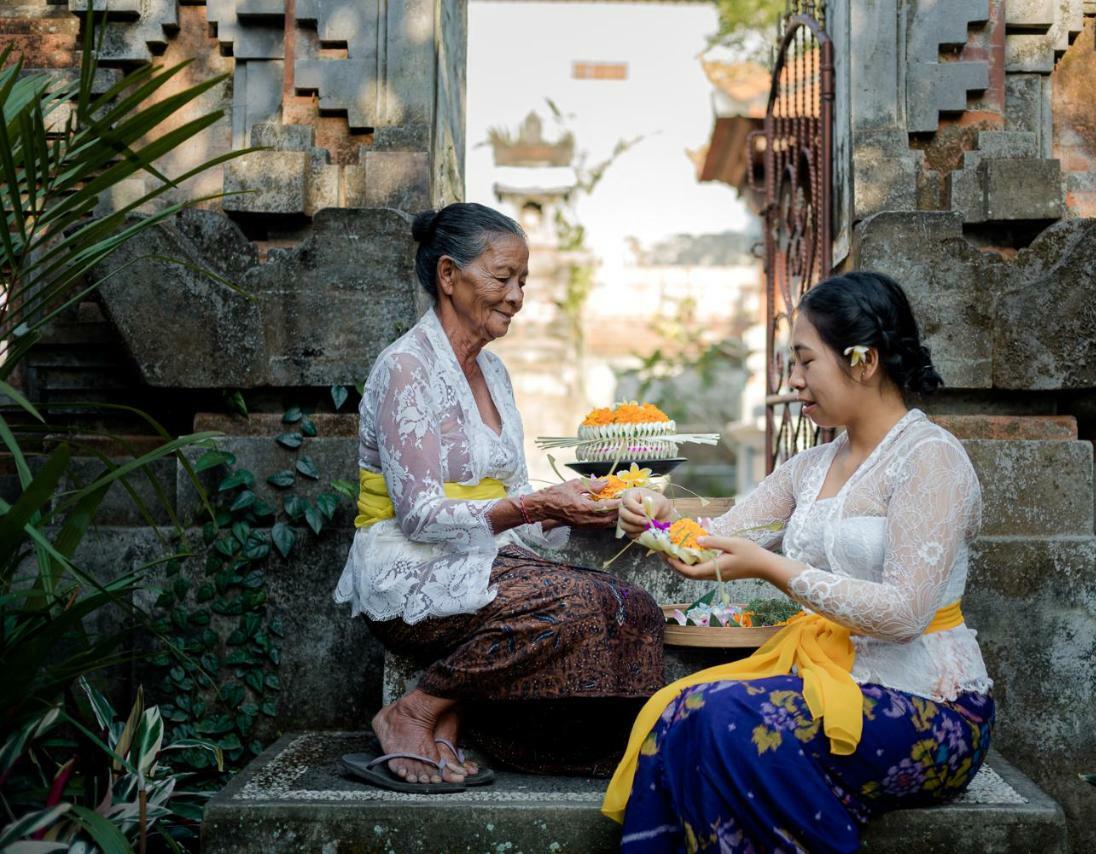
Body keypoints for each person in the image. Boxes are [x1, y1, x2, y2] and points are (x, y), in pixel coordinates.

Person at [605, 271, 993, 851]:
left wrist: (772, 567)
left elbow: (906, 613)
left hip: (933, 711)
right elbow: (708, 538)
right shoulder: (810, 467)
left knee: (724, 716)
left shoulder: (931, 459)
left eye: (805, 361)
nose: (793, 382)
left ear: (863, 361)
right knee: (682, 710)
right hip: (832, 686)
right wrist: (654, 514)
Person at [334, 203, 665, 792]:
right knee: (572, 603)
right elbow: (421, 515)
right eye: (502, 277)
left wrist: (587, 508)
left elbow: (516, 502)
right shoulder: (405, 368)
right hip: (411, 566)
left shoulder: (497, 375)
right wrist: (541, 505)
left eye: (523, 281)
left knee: (632, 606)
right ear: (447, 276)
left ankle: (497, 728)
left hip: (489, 559)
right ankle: (415, 709)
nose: (516, 296)